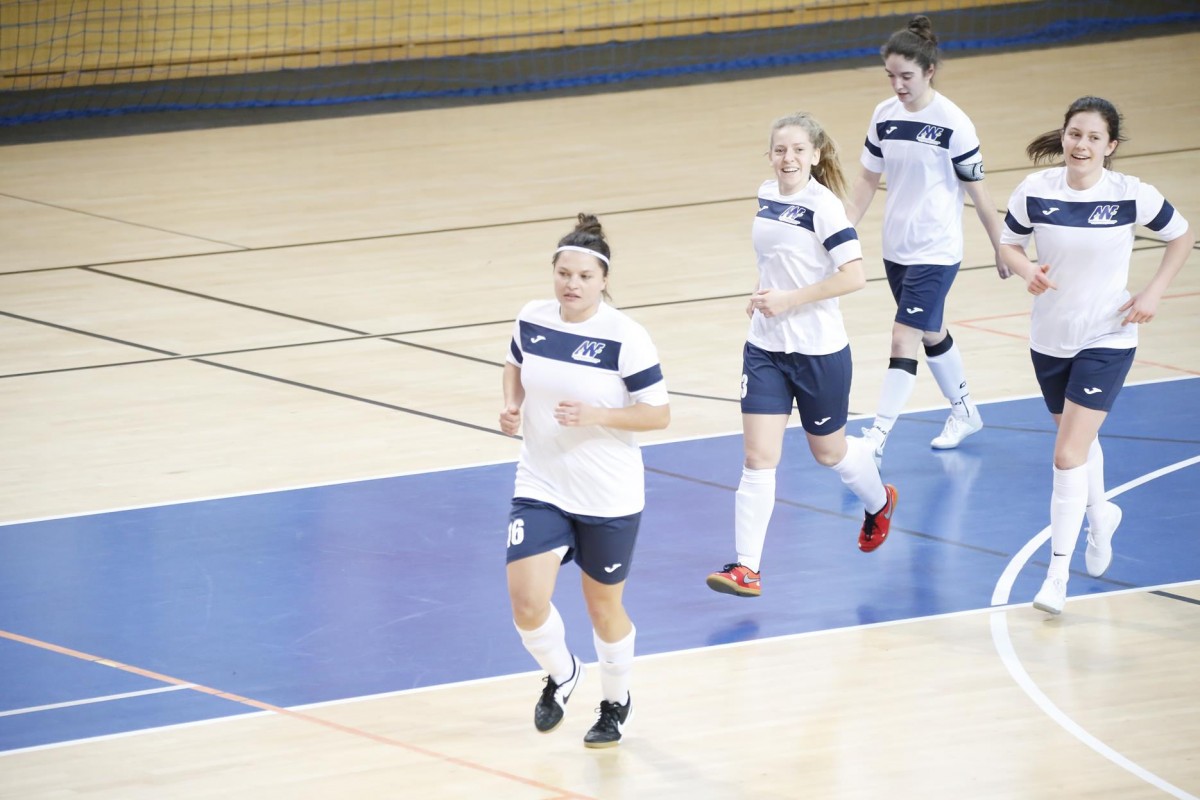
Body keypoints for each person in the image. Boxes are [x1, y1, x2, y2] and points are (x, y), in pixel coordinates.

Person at [998, 96, 1193, 615]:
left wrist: (1153, 292)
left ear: (1110, 146)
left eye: (1092, 137)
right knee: (1078, 442)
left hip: (1108, 335)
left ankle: (1057, 576)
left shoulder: (1131, 194)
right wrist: (1026, 270)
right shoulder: (1035, 190)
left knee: (1066, 456)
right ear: (1063, 136)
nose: (1081, 144)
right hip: (1049, 339)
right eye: (1074, 134)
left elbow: (1181, 235)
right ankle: (1102, 512)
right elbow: (1009, 244)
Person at [706, 112, 899, 599]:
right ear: (770, 155)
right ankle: (747, 568)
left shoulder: (825, 208)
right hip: (765, 349)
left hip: (818, 351)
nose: (787, 158)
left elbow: (854, 276)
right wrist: (762, 292)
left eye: (797, 150)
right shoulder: (766, 195)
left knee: (828, 452)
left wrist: (789, 300)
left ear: (815, 155)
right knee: (758, 457)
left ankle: (879, 501)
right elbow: (776, 259)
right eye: (779, 150)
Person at [501, 213, 670, 747]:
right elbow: (514, 364)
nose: (571, 285)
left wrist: (598, 415)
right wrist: (511, 405)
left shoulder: (626, 337)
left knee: (603, 608)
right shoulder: (531, 318)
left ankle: (615, 703)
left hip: (608, 494)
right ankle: (562, 673)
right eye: (563, 274)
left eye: (583, 277)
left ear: (603, 281)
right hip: (542, 482)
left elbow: (658, 414)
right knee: (527, 603)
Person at [848, 15, 1006, 468]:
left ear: (929, 70)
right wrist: (841, 232)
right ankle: (966, 412)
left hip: (936, 249)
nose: (898, 85)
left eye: (907, 76)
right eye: (891, 76)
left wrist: (1002, 246)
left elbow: (979, 193)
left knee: (904, 336)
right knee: (929, 329)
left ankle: (877, 436)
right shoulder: (884, 115)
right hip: (896, 247)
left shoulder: (954, 123)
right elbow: (866, 180)